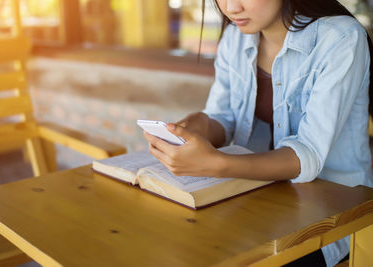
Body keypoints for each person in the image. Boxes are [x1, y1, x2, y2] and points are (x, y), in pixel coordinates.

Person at [143, 0, 373, 266]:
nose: (230, 8)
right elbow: (223, 118)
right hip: (259, 200)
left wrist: (217, 164)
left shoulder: (340, 38)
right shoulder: (235, 38)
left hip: (333, 217)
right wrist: (188, 130)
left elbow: (307, 154)